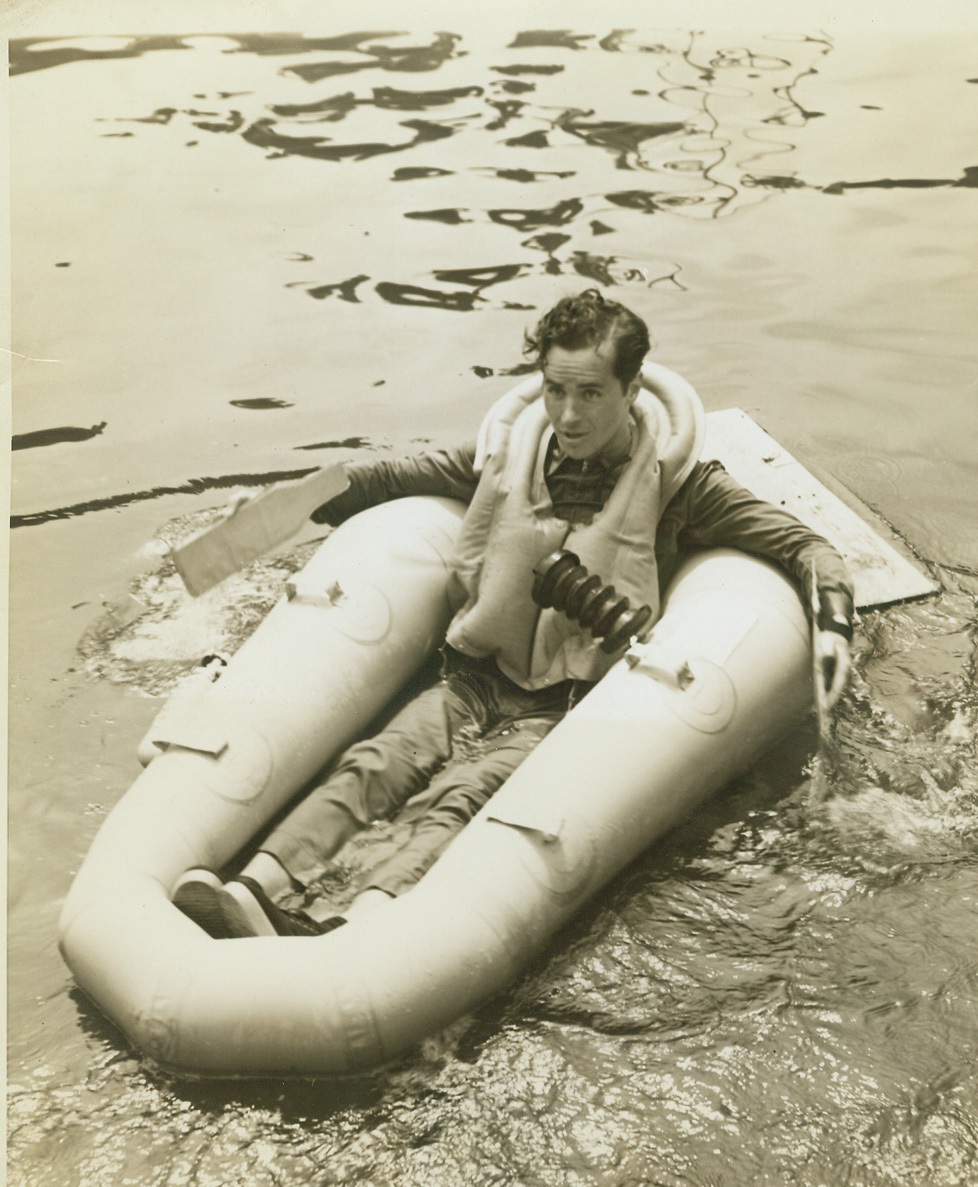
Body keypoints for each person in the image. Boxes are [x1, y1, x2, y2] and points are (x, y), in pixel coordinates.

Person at [172, 289, 854, 939]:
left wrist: (831, 621)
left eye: (591, 394)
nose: (568, 415)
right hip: (476, 676)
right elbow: (392, 476)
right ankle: (257, 887)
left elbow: (803, 544)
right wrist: (284, 506)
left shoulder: (681, 486)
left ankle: (362, 925)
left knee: (467, 793)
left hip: (566, 703)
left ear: (631, 391)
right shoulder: (510, 457)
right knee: (374, 762)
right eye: (555, 391)